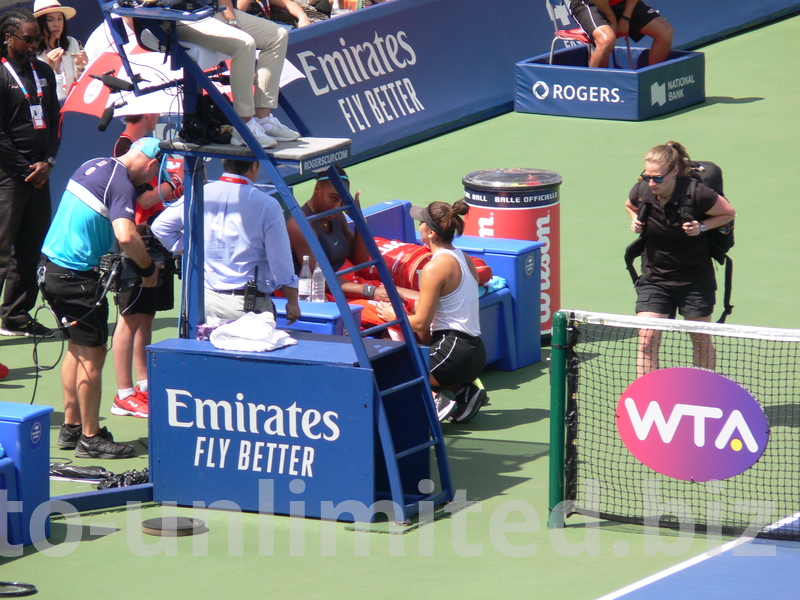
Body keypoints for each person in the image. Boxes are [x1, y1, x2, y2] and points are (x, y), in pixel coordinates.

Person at [39, 138, 163, 459]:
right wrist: (148, 268)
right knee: (93, 357)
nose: (145, 184)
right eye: (151, 176)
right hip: (76, 278)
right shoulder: (120, 182)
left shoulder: (94, 165)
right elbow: (125, 235)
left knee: (76, 350)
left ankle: (71, 428)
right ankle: (91, 437)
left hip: (50, 270)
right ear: (150, 164)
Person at [625, 141, 735, 378]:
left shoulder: (698, 193)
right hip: (655, 278)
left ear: (674, 171)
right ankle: (648, 400)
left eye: (657, 178)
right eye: (647, 177)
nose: (651, 183)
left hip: (694, 280)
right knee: (646, 342)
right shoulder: (643, 191)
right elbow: (629, 205)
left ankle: (703, 397)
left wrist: (702, 226)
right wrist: (634, 219)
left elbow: (728, 213)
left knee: (701, 341)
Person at [375, 201, 488, 424]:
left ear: (430, 233)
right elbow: (445, 301)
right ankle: (465, 393)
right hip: (474, 354)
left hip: (452, 354)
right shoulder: (463, 258)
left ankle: (436, 400)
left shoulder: (434, 267)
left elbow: (419, 324)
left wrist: (392, 317)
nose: (419, 226)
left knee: (395, 369)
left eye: (421, 223)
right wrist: (399, 292)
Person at [151, 158, 301, 324]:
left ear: (224, 162)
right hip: (247, 306)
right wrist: (293, 301)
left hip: (204, 301)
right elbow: (280, 259)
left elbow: (160, 227)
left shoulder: (199, 194)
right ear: (253, 165)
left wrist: (189, 247)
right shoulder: (268, 205)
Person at [109, 114, 183, 419]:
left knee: (146, 317)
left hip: (156, 239)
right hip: (135, 239)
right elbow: (149, 196)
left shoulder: (156, 149)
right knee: (128, 318)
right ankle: (124, 394)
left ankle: (144, 383)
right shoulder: (127, 152)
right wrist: (174, 185)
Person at [0, 8, 60, 339]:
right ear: (8, 38)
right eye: (28, 39)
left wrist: (48, 161)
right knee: (1, 248)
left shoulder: (43, 72)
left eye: (38, 38)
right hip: (8, 176)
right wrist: (26, 169)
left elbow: (54, 121)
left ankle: (16, 316)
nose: (36, 43)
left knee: (30, 247)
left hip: (39, 174)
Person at [175, 0, 300, 148]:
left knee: (277, 35)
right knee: (244, 44)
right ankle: (243, 126)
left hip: (209, 10)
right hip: (178, 17)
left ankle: (262, 118)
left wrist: (231, 19)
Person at [287, 168, 395, 302]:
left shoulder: (337, 216)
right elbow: (319, 279)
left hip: (351, 284)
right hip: (325, 294)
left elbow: (360, 260)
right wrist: (370, 291)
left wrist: (359, 219)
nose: (337, 206)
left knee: (412, 298)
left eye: (342, 201)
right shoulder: (299, 225)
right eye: (333, 198)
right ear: (318, 188)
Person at [568, 0, 673, 68]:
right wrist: (613, 21)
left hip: (621, 2)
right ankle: (597, 88)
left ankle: (653, 82)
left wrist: (626, 18)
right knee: (607, 40)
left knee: (665, 31)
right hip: (589, 3)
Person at [33, 0, 87, 100]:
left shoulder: (71, 43)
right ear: (40, 23)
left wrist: (80, 68)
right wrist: (51, 70)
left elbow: (82, 87)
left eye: (60, 19)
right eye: (50, 20)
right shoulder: (33, 53)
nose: (56, 24)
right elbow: (42, 93)